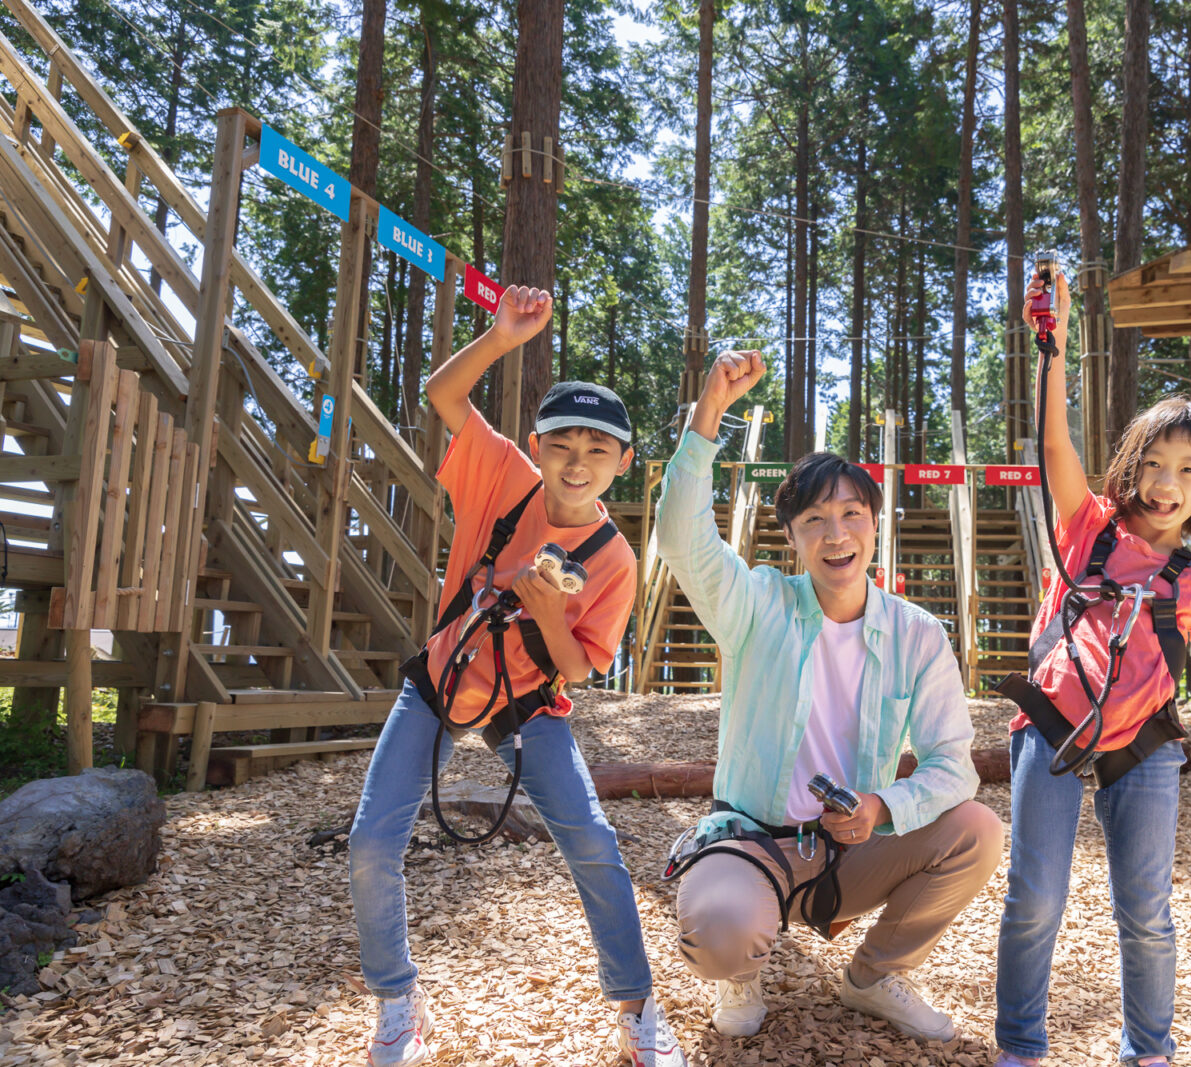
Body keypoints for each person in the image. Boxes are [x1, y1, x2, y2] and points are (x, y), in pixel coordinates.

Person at [347, 286, 688, 1067]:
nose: (577, 463)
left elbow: (579, 667)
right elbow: (442, 394)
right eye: (561, 445)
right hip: (440, 679)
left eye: (598, 451)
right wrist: (501, 337)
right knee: (371, 840)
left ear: (624, 464)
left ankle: (636, 1007)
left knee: (594, 841)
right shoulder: (500, 476)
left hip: (529, 703)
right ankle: (399, 996)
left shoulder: (616, 560)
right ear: (535, 446)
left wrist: (547, 615)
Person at [655, 349, 1003, 1043]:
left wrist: (883, 806)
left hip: (851, 850)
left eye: (851, 513)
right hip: (753, 838)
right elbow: (680, 537)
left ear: (876, 523)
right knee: (720, 930)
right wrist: (708, 413)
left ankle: (872, 977)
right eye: (814, 519)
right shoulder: (756, 603)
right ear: (790, 537)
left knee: (978, 830)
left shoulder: (917, 632)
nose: (835, 533)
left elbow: (953, 764)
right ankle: (740, 968)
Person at [991, 272, 1191, 1067]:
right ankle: (1023, 1046)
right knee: (1035, 897)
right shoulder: (1087, 530)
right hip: (1053, 727)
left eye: (1189, 472)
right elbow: (1056, 444)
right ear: (1133, 464)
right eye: (1158, 463)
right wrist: (1053, 345)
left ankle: (1150, 1050)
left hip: (1147, 749)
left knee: (1146, 909)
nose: (1168, 484)